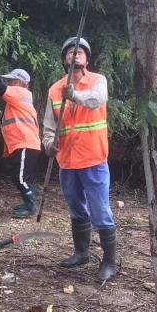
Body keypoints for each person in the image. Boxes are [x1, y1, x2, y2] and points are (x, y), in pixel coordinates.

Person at [42, 37, 117, 281]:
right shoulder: (55, 89)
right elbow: (49, 126)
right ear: (64, 59)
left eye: (80, 52)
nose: (74, 54)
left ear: (87, 58)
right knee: (76, 207)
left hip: (93, 158)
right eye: (70, 52)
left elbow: (97, 100)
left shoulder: (98, 81)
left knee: (100, 210)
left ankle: (109, 262)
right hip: (67, 161)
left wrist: (74, 95)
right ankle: (81, 253)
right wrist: (49, 144)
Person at [0, 66, 42, 218]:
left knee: (19, 178)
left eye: (12, 80)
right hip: (25, 144)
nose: (9, 83)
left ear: (19, 82)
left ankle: (30, 207)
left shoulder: (21, 92)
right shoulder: (20, 99)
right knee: (23, 177)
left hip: (25, 143)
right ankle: (29, 203)